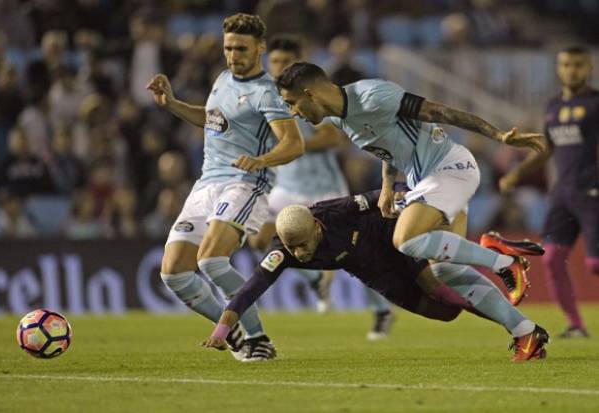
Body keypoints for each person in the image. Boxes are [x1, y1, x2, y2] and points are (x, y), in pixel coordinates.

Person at [275, 62, 545, 306]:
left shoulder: (373, 96)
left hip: (447, 166)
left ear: (310, 94)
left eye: (291, 102)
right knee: (445, 269)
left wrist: (498, 135)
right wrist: (386, 185)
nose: (293, 112)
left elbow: (441, 112)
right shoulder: (338, 119)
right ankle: (525, 333)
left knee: (405, 240)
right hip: (422, 179)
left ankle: (504, 262)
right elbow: (387, 146)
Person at [203, 191, 549, 362]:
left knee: (440, 286)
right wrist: (222, 329)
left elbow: (377, 197)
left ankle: (521, 328)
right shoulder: (282, 254)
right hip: (372, 273)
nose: (300, 254)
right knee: (444, 312)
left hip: (391, 240)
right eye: (293, 249)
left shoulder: (334, 212)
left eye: (304, 245)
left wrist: (419, 205)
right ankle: (494, 263)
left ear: (317, 227)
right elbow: (251, 288)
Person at [146, 13, 304, 362]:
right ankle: (234, 335)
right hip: (206, 184)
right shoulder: (222, 79)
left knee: (213, 261)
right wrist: (171, 104)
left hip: (245, 184)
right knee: (173, 273)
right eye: (228, 48)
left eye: (241, 48)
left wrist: (260, 161)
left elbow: (294, 144)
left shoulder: (268, 92)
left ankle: (259, 338)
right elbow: (212, 119)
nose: (233, 55)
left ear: (260, 48)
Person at [247, 34, 393, 338]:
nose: (278, 68)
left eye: (285, 62)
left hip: (324, 187)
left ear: (300, 59)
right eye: (274, 62)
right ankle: (317, 282)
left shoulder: (312, 94)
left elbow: (334, 138)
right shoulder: (264, 100)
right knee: (258, 236)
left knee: (356, 252)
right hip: (286, 186)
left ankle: (381, 311)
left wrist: (294, 145)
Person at [499, 46, 598, 338]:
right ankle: (576, 325)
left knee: (594, 265)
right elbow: (547, 149)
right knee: (553, 260)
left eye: (578, 65)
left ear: (589, 68)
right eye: (566, 64)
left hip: (592, 192)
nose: (571, 70)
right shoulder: (553, 106)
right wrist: (516, 173)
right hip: (563, 195)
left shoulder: (595, 103)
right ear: (558, 68)